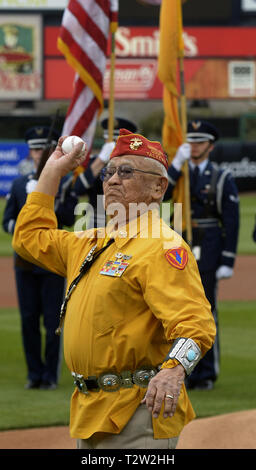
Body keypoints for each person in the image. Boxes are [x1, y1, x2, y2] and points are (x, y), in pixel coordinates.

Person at [12, 128, 216, 449]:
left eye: (127, 171)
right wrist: (53, 170)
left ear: (158, 187)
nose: (112, 180)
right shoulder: (92, 241)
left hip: (138, 413)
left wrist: (174, 371)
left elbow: (196, 325)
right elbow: (29, 237)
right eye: (108, 171)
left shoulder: (161, 247)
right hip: (91, 413)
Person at [165, 120, 240, 390]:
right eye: (191, 141)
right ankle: (180, 369)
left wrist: (228, 259)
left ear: (210, 146)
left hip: (207, 249)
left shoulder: (220, 177)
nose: (194, 146)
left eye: (199, 142)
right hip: (177, 249)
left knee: (206, 313)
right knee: (176, 312)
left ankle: (206, 372)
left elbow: (230, 220)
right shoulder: (178, 174)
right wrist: (175, 164)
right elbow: (161, 196)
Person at [3, 126, 78, 390]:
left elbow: (70, 217)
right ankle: (34, 374)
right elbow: (8, 221)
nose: (37, 154)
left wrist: (51, 199)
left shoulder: (64, 184)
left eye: (41, 149)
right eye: (34, 149)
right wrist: (26, 229)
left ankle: (50, 375)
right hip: (25, 261)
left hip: (51, 258)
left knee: (52, 319)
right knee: (28, 319)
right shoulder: (19, 184)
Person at [73, 116, 137, 228]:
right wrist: (101, 160)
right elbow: (78, 189)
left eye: (118, 142)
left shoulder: (137, 165)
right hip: (97, 224)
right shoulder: (95, 162)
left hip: (127, 223)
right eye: (111, 141)